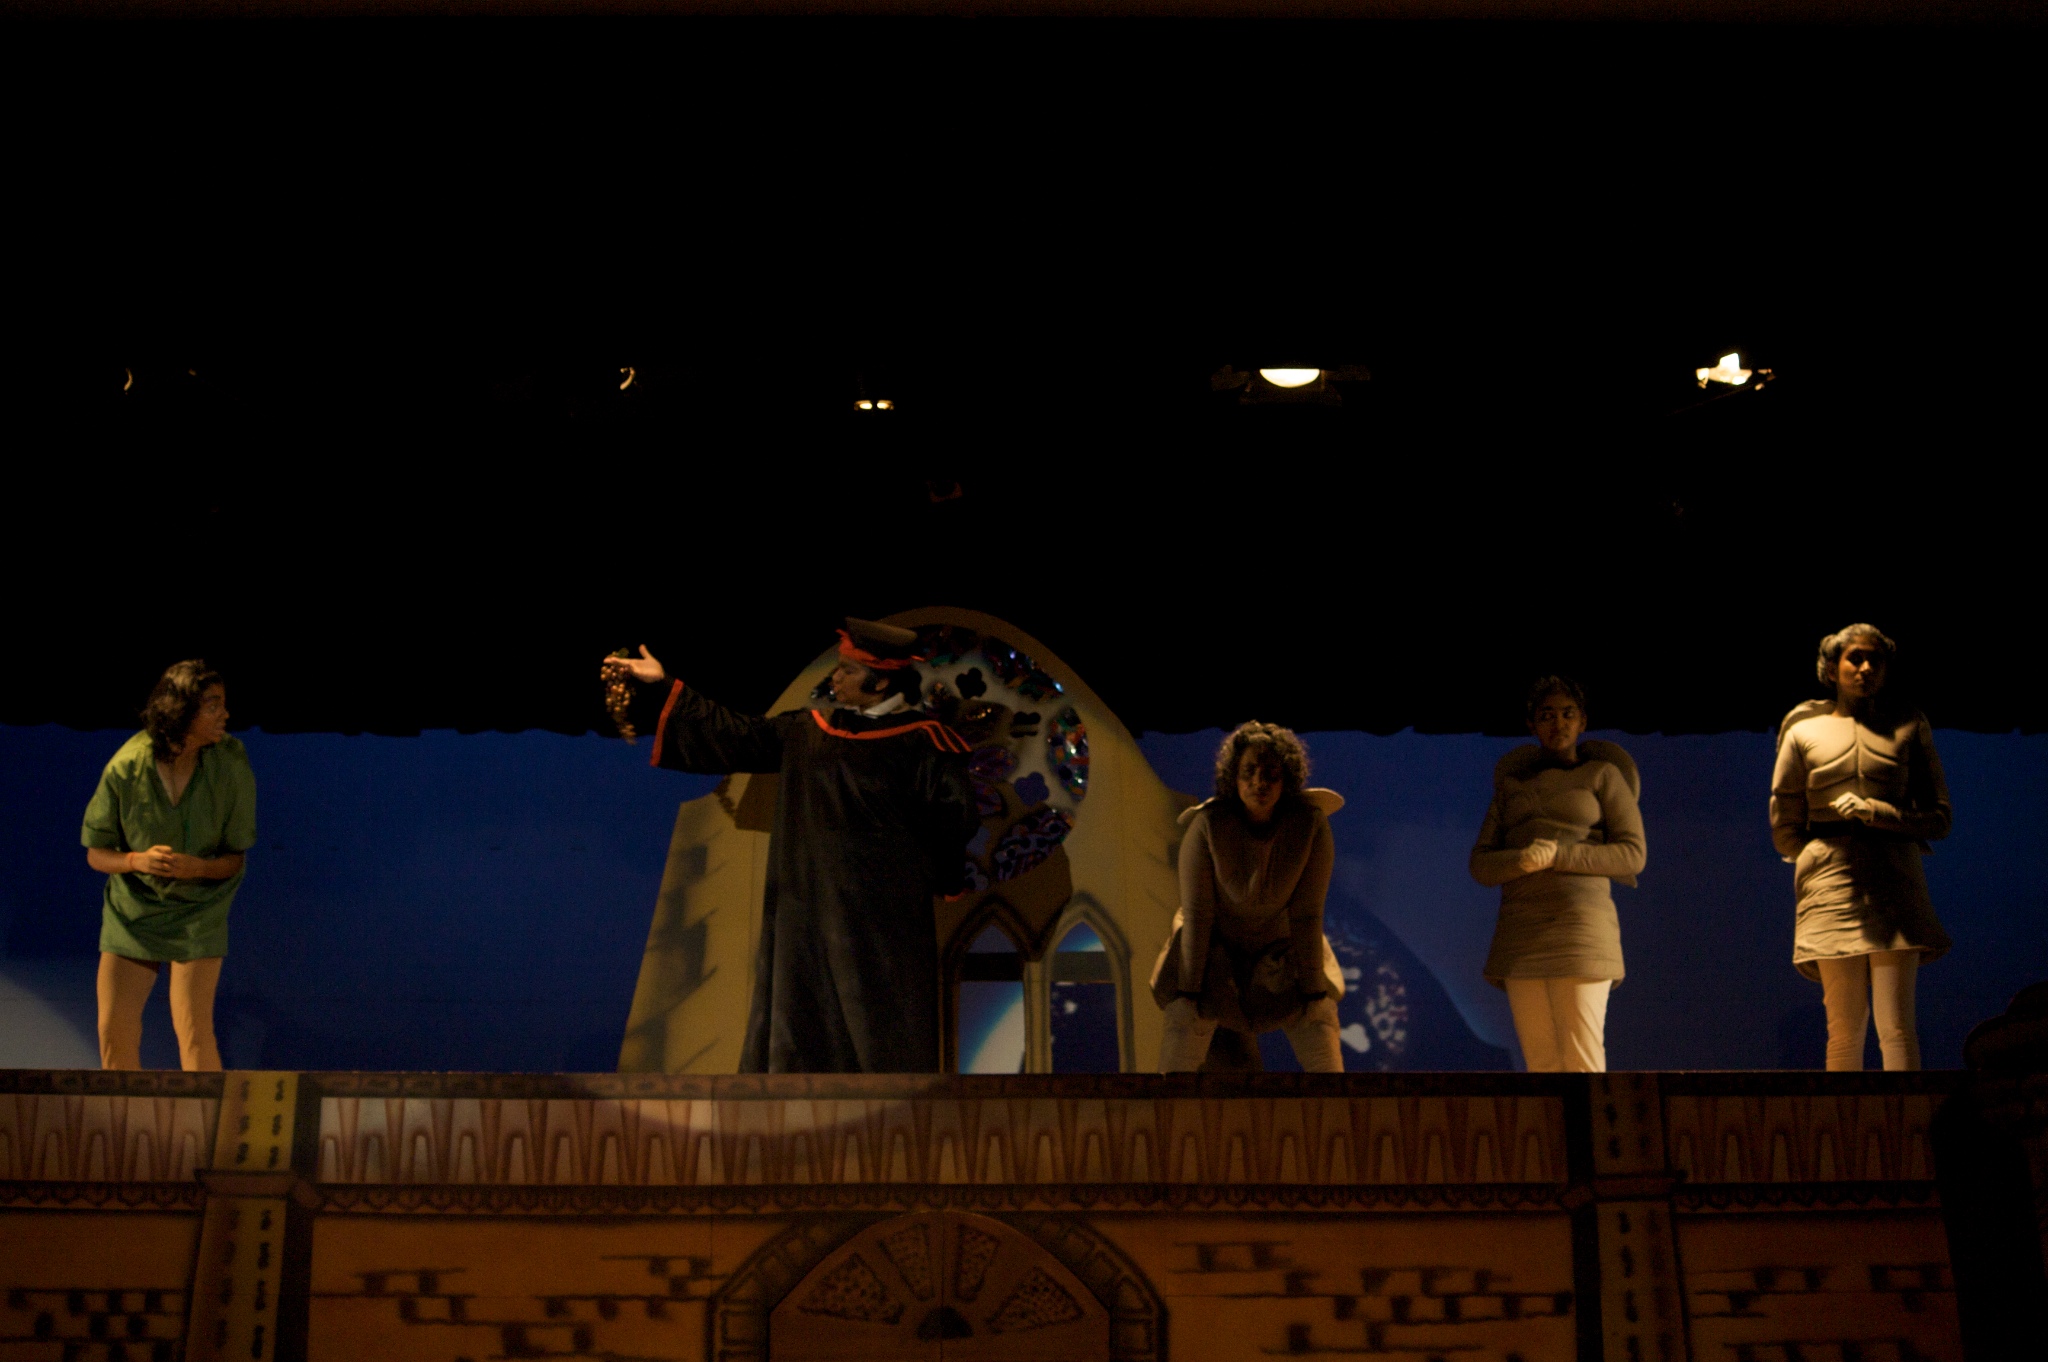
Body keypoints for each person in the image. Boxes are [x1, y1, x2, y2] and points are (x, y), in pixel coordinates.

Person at [606, 618, 976, 1073]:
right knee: (801, 1014)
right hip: (806, 907)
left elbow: (953, 819)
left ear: (879, 682)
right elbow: (737, 733)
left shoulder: (924, 744)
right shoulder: (811, 730)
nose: (834, 679)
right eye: (837, 669)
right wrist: (665, 685)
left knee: (880, 1026)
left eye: (847, 672)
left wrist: (935, 873)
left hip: (881, 919)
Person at [1771, 624, 1950, 1071]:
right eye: (1855, 658)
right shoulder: (1803, 728)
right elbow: (1784, 812)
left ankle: (1907, 1131)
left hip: (1895, 879)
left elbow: (1939, 816)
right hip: (1831, 881)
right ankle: (1842, 1132)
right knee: (1844, 1027)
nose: (1866, 668)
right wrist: (1813, 855)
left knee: (1897, 1027)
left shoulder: (1907, 724)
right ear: (1832, 668)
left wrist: (1877, 813)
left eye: (1875, 659)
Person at [80, 660, 257, 1071]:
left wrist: (196, 868)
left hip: (199, 911)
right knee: (114, 1028)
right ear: (182, 710)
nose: (224, 715)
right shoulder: (127, 766)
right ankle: (122, 1126)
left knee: (194, 1031)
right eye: (212, 705)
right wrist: (135, 860)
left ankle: (208, 1132)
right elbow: (95, 853)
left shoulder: (228, 762)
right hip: (134, 913)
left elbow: (234, 859)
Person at [1468, 677, 1646, 1073]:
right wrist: (1521, 861)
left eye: (1568, 714)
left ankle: (1591, 1135)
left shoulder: (1602, 775)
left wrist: (1559, 856)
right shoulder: (1512, 785)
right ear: (1532, 725)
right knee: (1541, 1062)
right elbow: (1480, 863)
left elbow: (1632, 856)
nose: (1558, 724)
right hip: (1522, 932)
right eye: (1547, 716)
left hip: (1580, 930)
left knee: (1582, 1058)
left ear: (1583, 721)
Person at [1150, 722, 1346, 1073]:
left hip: (1278, 944)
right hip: (1214, 946)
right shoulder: (1207, 825)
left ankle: (1338, 1121)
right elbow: (1199, 915)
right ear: (1233, 778)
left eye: (1270, 772)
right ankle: (1168, 1117)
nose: (1260, 782)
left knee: (1320, 1026)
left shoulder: (1309, 824)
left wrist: (1314, 993)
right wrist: (1190, 993)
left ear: (1286, 778)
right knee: (1183, 1028)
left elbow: (1307, 915)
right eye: (1249, 772)